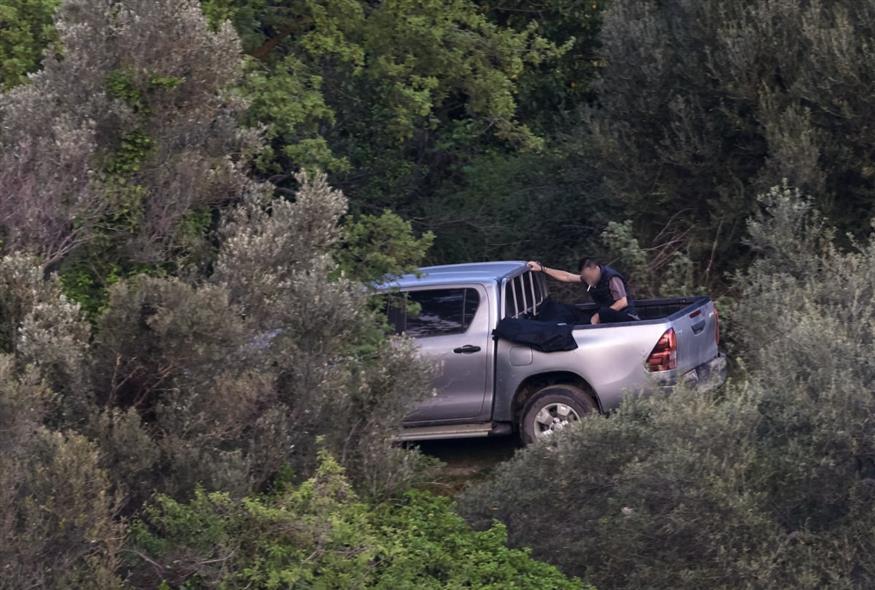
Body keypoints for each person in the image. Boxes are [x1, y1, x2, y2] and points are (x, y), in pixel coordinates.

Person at [527, 258, 639, 324]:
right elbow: (567, 276)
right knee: (573, 311)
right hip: (605, 313)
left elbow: (622, 302)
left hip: (626, 316)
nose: (587, 280)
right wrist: (543, 269)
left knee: (603, 313)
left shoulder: (612, 278)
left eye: (589, 277)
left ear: (595, 269)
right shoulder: (587, 278)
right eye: (585, 277)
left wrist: (598, 316)